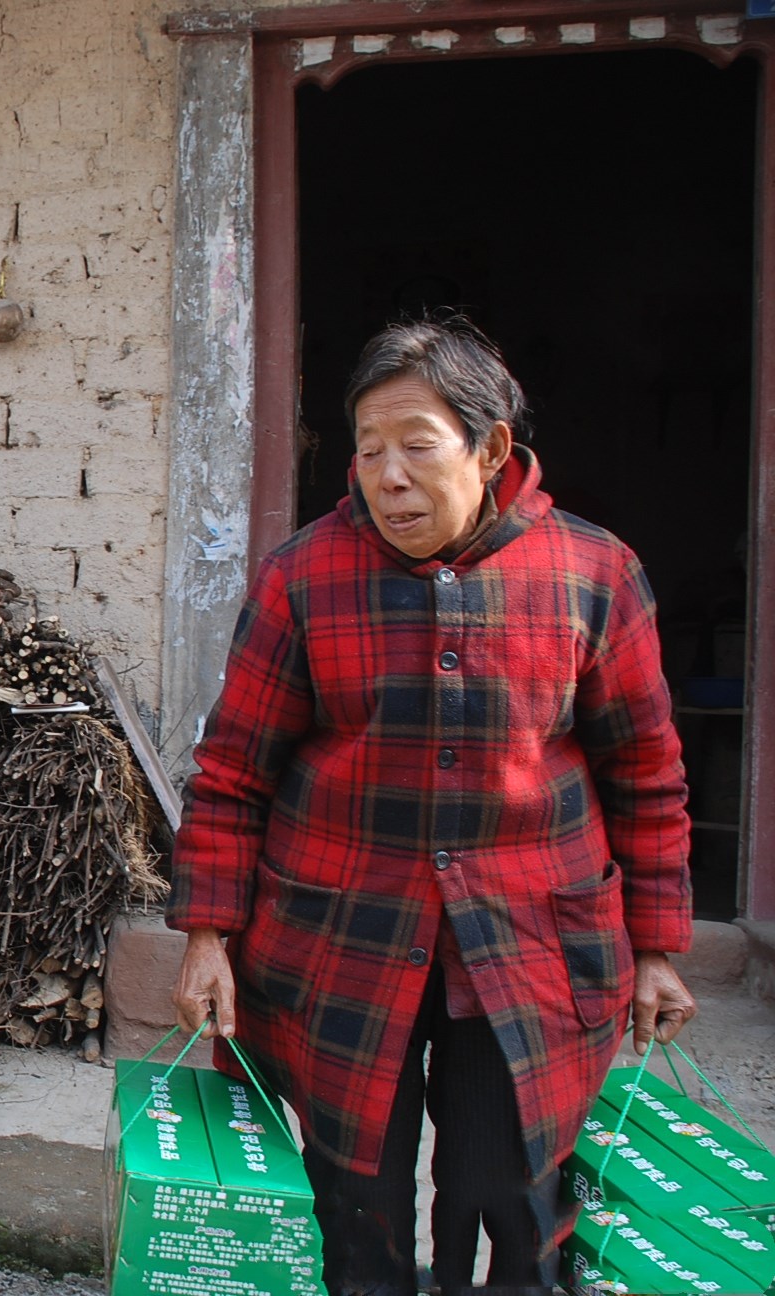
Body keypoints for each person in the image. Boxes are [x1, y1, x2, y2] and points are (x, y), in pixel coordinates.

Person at [168, 318, 698, 1296]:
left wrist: (657, 947)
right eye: (369, 451)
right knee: (354, 1201)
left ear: (491, 448)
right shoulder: (305, 576)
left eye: (417, 444)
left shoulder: (592, 576)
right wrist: (206, 932)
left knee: (509, 1200)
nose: (388, 475)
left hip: (532, 939)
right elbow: (233, 772)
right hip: (341, 938)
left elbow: (647, 776)